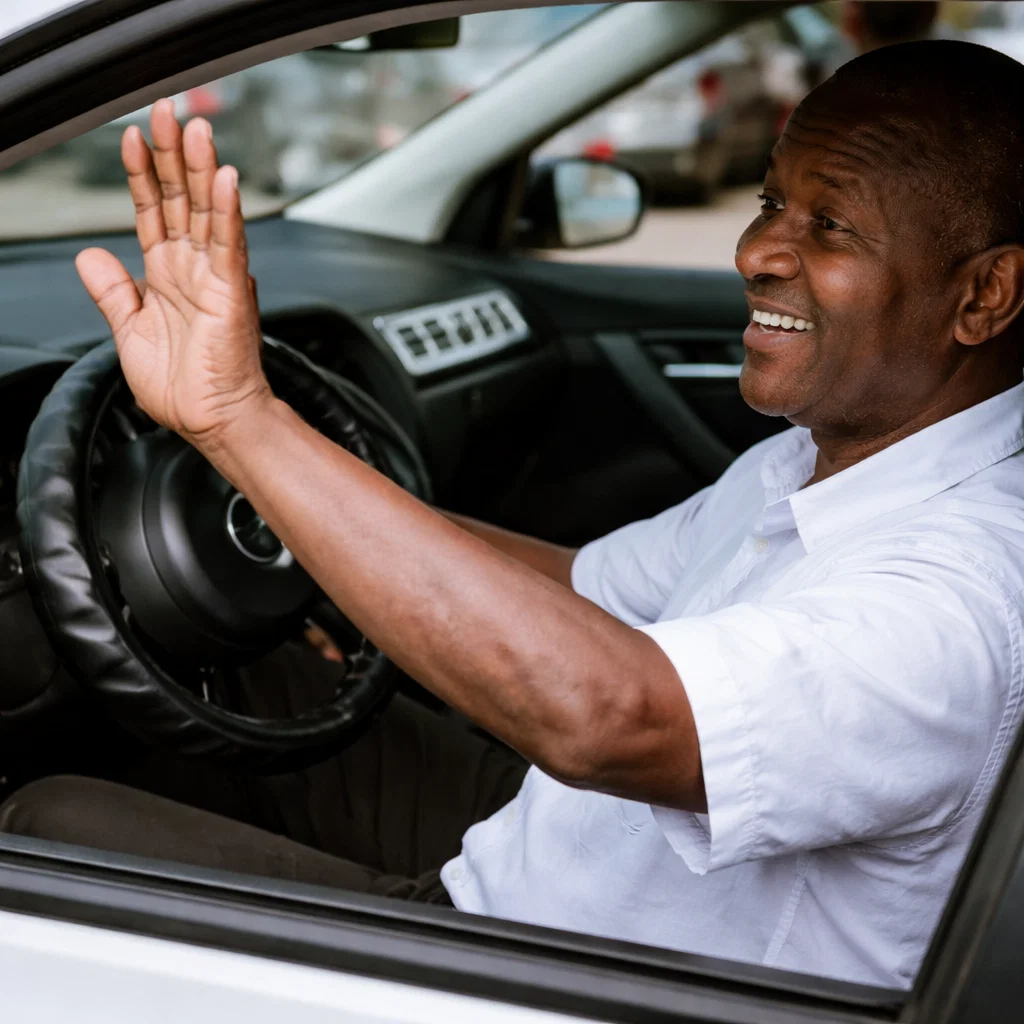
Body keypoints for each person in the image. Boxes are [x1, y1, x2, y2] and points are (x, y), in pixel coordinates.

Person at [5, 38, 1024, 989]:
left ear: (982, 295)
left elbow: (611, 718)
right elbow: (580, 589)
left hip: (557, 964)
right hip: (558, 836)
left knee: (41, 825)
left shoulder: (961, 595)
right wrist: (298, 507)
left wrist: (242, 423)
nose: (757, 248)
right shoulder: (812, 457)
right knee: (244, 668)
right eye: (770, 201)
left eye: (828, 225)